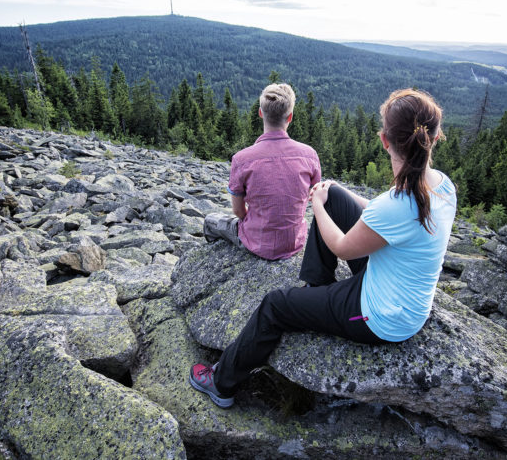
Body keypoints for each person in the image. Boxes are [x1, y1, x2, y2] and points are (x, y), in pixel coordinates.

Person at [190, 89, 457, 408]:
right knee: (336, 196)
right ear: (436, 136)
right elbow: (388, 218)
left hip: (381, 316)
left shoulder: (395, 204)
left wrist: (316, 204)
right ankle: (317, 289)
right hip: (392, 286)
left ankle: (221, 384)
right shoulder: (442, 184)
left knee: (275, 305)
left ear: (384, 140)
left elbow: (344, 249)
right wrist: (336, 194)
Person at [204, 83, 321, 260]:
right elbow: (316, 196)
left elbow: (238, 212)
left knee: (210, 221)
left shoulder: (241, 159)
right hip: (295, 242)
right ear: (290, 117)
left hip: (256, 243)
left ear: (260, 113)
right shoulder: (309, 155)